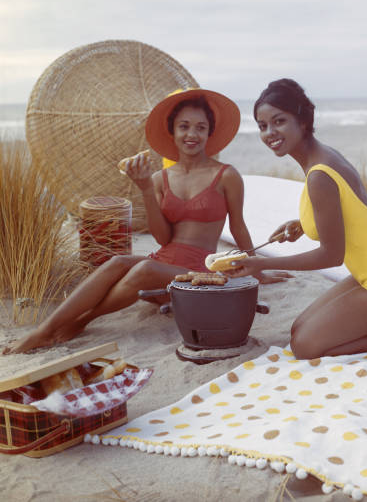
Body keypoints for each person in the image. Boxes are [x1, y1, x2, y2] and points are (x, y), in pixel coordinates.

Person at [6, 88, 289, 354]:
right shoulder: (158, 179)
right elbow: (163, 238)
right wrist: (144, 189)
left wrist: (257, 269)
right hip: (159, 271)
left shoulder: (226, 175)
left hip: (200, 275)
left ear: (209, 133)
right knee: (118, 262)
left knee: (142, 268)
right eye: (184, 126)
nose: (192, 134)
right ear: (172, 131)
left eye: (201, 127)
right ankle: (47, 328)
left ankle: (79, 321)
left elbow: (238, 226)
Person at [227, 78, 367, 359]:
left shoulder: (320, 174)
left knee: (304, 347)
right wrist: (301, 224)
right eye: (262, 126)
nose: (269, 132)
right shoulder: (322, 158)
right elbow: (348, 209)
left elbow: (331, 256)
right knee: (299, 328)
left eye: (279, 121)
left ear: (302, 120)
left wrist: (260, 264)